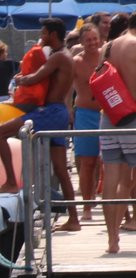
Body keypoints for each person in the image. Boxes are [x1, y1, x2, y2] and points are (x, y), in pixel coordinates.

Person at [0, 18, 81, 233]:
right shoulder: (65, 56)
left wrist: (19, 79)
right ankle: (74, 220)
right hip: (58, 112)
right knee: (61, 169)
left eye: (43, 31)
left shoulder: (59, 57)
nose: (41, 34)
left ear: (52, 34)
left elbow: (35, 78)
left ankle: (11, 182)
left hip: (50, 111)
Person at [100, 12, 136, 254]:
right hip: (133, 118)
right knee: (131, 181)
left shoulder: (108, 46)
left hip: (109, 117)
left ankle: (112, 239)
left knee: (112, 179)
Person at [71, 25, 103, 222]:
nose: (92, 42)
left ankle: (114, 206)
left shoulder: (107, 56)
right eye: (88, 39)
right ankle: (87, 205)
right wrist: (67, 109)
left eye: (94, 39)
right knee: (87, 162)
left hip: (106, 114)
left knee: (106, 163)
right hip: (84, 113)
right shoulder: (76, 62)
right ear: (81, 42)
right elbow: (66, 88)